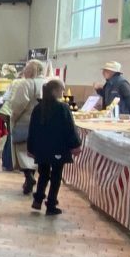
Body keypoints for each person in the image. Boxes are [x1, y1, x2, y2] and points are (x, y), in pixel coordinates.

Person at [27, 78, 82, 216]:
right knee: (56, 176)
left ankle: (38, 199)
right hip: (58, 148)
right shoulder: (62, 108)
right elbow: (70, 129)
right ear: (54, 91)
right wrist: (75, 145)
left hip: (42, 148)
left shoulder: (38, 108)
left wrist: (31, 148)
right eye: (61, 90)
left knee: (43, 173)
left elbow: (32, 130)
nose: (63, 93)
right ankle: (51, 204)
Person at [3, 59, 47, 196]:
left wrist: (13, 118)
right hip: (44, 124)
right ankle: (32, 178)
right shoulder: (47, 83)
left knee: (23, 151)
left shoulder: (26, 83)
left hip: (25, 122)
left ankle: (28, 177)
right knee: (35, 152)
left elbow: (18, 104)